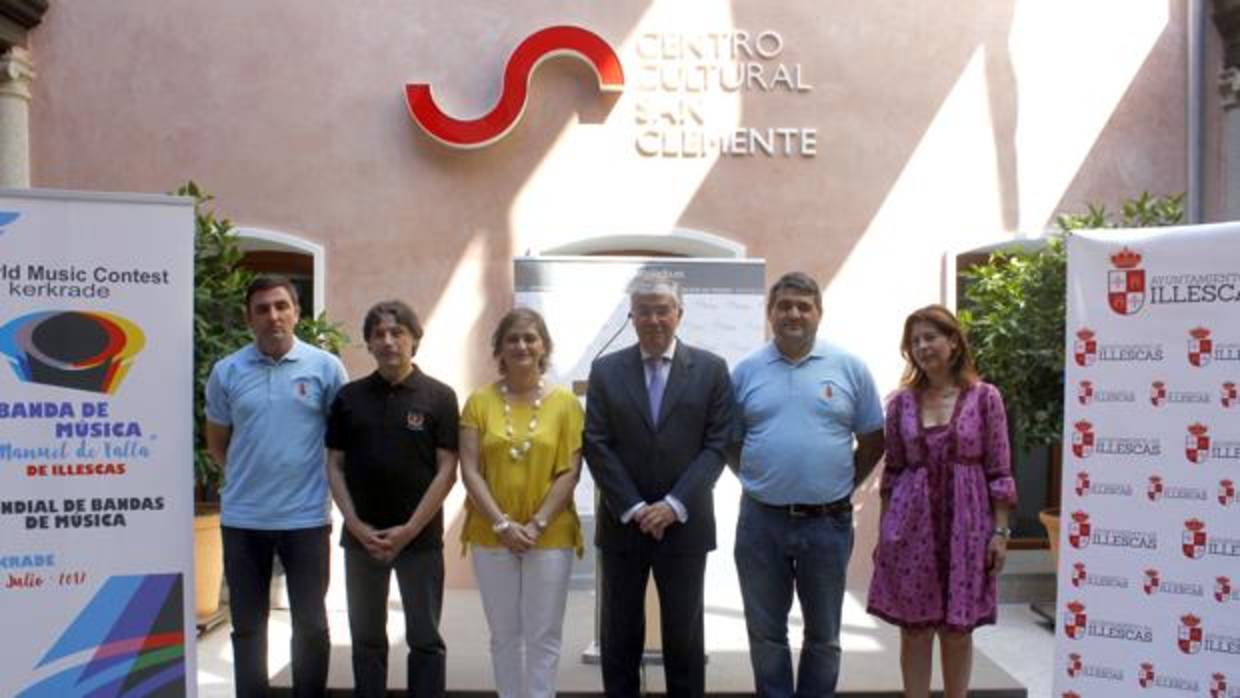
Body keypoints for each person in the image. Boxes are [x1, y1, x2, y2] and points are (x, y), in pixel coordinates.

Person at [730, 271, 885, 698]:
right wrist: (758, 478)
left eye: (803, 305)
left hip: (827, 525)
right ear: (770, 314)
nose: (793, 314)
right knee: (765, 634)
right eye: (784, 306)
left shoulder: (849, 367)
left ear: (819, 313)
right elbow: (727, 439)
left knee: (824, 636)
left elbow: (874, 438)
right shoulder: (745, 371)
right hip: (761, 522)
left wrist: (842, 485)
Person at [584, 272, 734, 698]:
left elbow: (716, 445)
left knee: (684, 638)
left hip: (685, 526)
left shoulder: (711, 370)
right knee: (619, 636)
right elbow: (596, 443)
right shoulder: (606, 370)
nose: (653, 318)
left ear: (679, 314)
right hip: (623, 527)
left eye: (662, 309)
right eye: (644, 310)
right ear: (631, 316)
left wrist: (673, 504)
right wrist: (633, 507)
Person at [204, 275, 347, 698]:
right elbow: (217, 441)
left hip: (305, 518)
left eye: (282, 306)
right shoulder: (227, 371)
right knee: (248, 626)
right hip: (244, 519)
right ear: (249, 318)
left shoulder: (325, 367)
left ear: (297, 313)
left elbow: (341, 441)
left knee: (312, 624)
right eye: (262, 309)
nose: (273, 316)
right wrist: (250, 475)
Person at [866, 304, 1016, 698]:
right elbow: (893, 473)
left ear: (953, 341)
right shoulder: (900, 403)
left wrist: (1000, 532)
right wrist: (885, 536)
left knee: (956, 632)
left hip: (968, 528)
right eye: (914, 341)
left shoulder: (985, 398)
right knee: (914, 632)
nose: (922, 347)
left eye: (930, 337)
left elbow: (999, 470)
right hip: (911, 527)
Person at [325, 300, 458, 698]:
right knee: (366, 639)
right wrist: (355, 524)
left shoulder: (440, 397)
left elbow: (447, 469)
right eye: (378, 334)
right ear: (368, 343)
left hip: (420, 540)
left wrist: (410, 529)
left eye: (397, 332)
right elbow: (334, 464)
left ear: (414, 339)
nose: (388, 341)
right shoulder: (349, 397)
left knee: (425, 638)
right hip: (362, 539)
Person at [458, 307, 584, 698]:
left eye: (530, 337)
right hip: (490, 532)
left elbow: (570, 472)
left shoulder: (565, 403)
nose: (522, 345)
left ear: (544, 345)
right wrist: (501, 524)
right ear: (500, 348)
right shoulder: (479, 402)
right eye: (512, 338)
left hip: (549, 534)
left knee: (544, 634)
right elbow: (470, 468)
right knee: (504, 634)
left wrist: (536, 524)